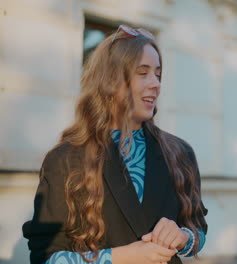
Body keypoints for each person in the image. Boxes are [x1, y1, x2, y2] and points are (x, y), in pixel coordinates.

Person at [22, 25, 208, 264]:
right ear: (110, 81)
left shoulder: (180, 153)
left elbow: (199, 230)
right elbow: (44, 257)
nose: (156, 83)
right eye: (143, 73)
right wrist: (119, 257)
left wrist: (182, 237)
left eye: (158, 74)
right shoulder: (65, 159)